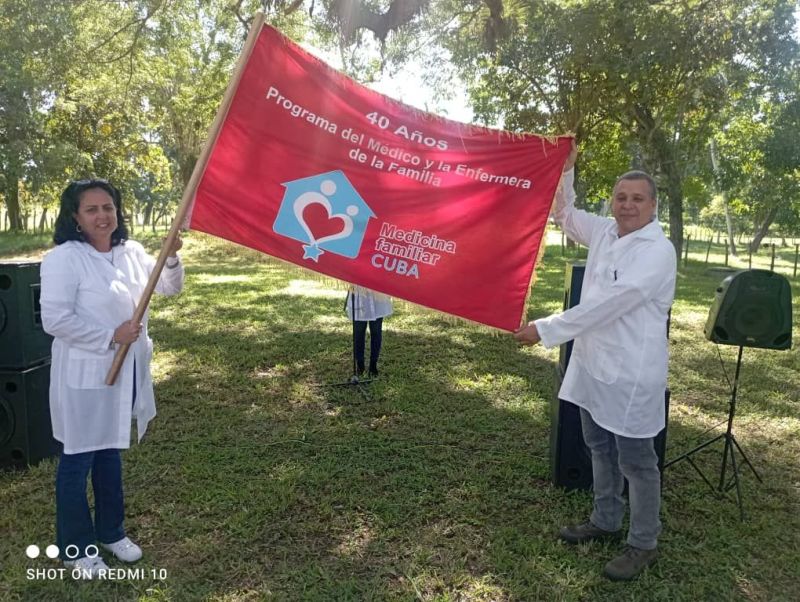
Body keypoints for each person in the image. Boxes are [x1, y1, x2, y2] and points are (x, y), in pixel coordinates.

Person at [514, 142, 677, 581]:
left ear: (653, 205)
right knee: (597, 446)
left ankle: (643, 542)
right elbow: (564, 215)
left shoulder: (656, 252)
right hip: (591, 363)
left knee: (637, 462)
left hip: (630, 373)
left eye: (637, 198)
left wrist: (546, 329)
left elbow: (610, 305)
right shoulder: (605, 231)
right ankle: (605, 518)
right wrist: (565, 170)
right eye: (621, 197)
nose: (627, 205)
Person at [40, 179, 184, 579]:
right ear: (75, 216)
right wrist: (109, 337)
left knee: (109, 452)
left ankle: (111, 531)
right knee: (77, 459)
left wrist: (170, 257)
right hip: (85, 377)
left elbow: (169, 289)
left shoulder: (132, 252)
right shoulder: (64, 258)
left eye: (108, 207)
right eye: (92, 209)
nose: (102, 216)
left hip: (128, 372)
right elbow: (55, 319)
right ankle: (76, 548)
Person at [345, 286, 393, 377]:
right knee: (358, 333)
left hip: (377, 297)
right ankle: (360, 365)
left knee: (376, 332)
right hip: (359, 296)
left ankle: (373, 365)